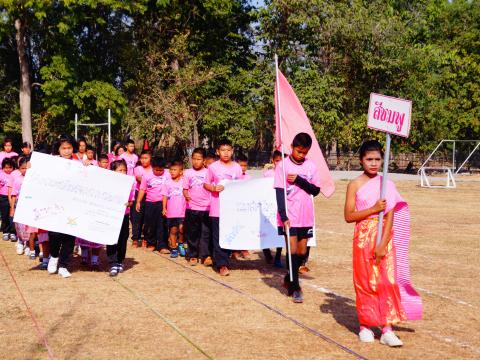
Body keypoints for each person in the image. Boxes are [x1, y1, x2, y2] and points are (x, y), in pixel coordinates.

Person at [344, 140, 406, 347]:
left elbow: (390, 217)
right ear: (361, 160)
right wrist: (373, 209)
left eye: (377, 159)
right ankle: (366, 325)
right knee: (365, 281)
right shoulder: (354, 185)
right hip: (363, 238)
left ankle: (387, 328)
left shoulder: (387, 183)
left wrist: (382, 243)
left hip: (384, 238)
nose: (373, 163)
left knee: (386, 281)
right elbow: (348, 215)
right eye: (369, 159)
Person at [274, 133, 321, 303]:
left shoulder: (311, 167)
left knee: (301, 252)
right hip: (290, 216)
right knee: (291, 251)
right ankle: (295, 288)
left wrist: (299, 180)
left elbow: (315, 191)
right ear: (292, 147)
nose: (301, 155)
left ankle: (289, 278)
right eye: (298, 151)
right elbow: (279, 192)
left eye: (304, 152)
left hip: (306, 216)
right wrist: (283, 215)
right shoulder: (282, 166)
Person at [204, 139, 242, 276]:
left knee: (229, 234)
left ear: (232, 151)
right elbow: (206, 184)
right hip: (217, 207)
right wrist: (214, 188)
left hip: (232, 208)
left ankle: (226, 258)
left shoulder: (237, 167)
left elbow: (241, 186)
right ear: (217, 152)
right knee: (218, 236)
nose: (226, 153)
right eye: (223, 150)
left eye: (228, 150)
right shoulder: (213, 167)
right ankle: (222, 264)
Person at [47, 135, 78, 278]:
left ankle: (64, 265)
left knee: (69, 236)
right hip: (55, 204)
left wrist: (87, 167)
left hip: (73, 206)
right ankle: (53, 256)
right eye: (63, 148)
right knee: (54, 234)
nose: (66, 151)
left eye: (69, 148)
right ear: (58, 149)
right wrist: (31, 166)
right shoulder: (51, 162)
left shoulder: (78, 163)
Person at [183, 148, 211, 266]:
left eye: (199, 159)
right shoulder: (187, 173)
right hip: (192, 207)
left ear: (204, 160)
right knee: (192, 232)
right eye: (194, 159)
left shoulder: (209, 172)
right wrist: (187, 196)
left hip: (207, 208)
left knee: (206, 233)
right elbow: (185, 189)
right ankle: (192, 255)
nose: (196, 161)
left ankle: (205, 256)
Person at [107, 159, 135, 276]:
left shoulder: (130, 183)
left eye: (124, 170)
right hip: (111, 215)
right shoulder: (108, 183)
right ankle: (112, 262)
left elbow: (131, 201)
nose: (123, 172)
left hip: (124, 215)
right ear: (113, 171)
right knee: (112, 238)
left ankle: (119, 261)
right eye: (120, 170)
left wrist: (128, 204)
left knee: (123, 239)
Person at [136, 156, 170, 252]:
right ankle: (151, 243)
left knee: (162, 224)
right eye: (156, 170)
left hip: (163, 203)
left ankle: (163, 245)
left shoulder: (168, 174)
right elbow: (142, 189)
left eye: (161, 170)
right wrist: (138, 201)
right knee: (150, 224)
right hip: (150, 203)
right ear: (152, 167)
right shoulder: (146, 176)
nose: (159, 172)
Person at [263, 150, 283, 267]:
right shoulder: (268, 174)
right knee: (267, 229)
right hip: (269, 206)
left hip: (280, 207)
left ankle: (278, 256)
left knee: (280, 231)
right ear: (272, 161)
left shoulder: (287, 173)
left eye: (281, 161)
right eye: (277, 161)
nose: (279, 163)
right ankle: (266, 252)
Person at [162, 160, 186, 258]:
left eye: (175, 170)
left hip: (182, 211)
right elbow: (165, 196)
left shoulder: (184, 182)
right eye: (171, 170)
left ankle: (181, 244)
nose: (172, 172)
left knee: (182, 229)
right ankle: (174, 248)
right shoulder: (167, 183)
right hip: (171, 212)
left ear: (181, 171)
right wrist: (164, 208)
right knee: (173, 230)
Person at [7, 157, 30, 256]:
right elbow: (13, 195)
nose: (25, 170)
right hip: (19, 206)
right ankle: (20, 241)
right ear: (19, 168)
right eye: (22, 168)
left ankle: (29, 244)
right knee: (19, 226)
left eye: (26, 168)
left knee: (28, 226)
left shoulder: (33, 179)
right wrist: (12, 208)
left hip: (29, 206)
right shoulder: (17, 180)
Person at [131, 150, 152, 247]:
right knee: (136, 216)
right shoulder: (138, 168)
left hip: (150, 195)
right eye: (142, 158)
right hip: (138, 193)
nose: (143, 160)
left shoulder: (153, 169)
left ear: (150, 158)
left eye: (146, 158)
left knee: (147, 218)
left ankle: (146, 238)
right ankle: (135, 238)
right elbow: (140, 179)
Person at [0, 158, 16, 241]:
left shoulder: (15, 174)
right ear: (2, 168)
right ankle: (6, 231)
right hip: (3, 197)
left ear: (13, 167)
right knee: (5, 215)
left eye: (10, 167)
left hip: (13, 197)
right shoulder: (1, 174)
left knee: (12, 215)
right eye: (6, 167)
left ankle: (13, 232)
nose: (8, 169)